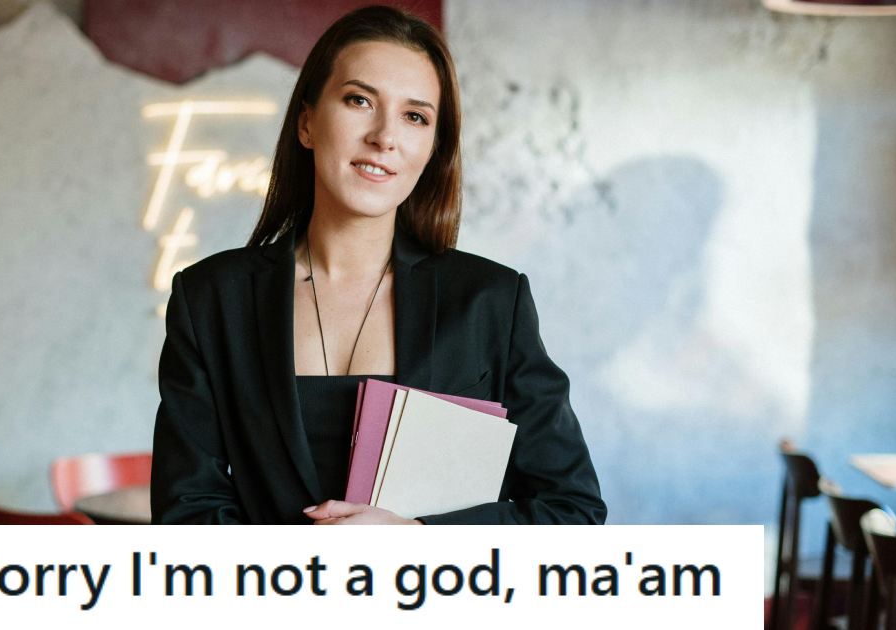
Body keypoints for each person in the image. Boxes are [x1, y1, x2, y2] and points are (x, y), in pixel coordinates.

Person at [150, 5, 605, 525]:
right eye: (359, 100)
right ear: (306, 123)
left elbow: (572, 511)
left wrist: (417, 542)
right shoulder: (210, 298)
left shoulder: (490, 302)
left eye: (415, 116)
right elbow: (187, 513)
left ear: (433, 147)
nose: (384, 136)